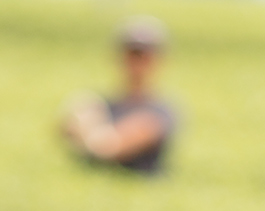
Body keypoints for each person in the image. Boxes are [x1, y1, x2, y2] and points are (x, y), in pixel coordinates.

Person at [59, 16, 178, 175]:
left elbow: (110, 148)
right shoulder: (101, 102)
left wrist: (86, 128)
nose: (137, 62)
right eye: (131, 53)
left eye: (144, 55)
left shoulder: (160, 112)